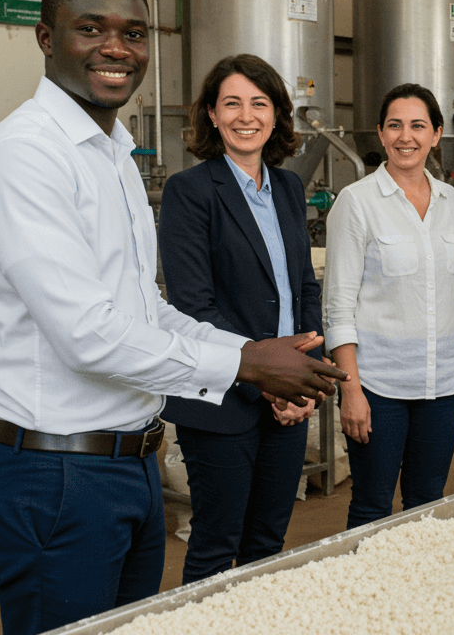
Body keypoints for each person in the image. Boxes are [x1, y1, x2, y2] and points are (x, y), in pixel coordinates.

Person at [0, 0, 343, 635]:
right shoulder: (25, 155)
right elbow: (89, 335)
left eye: (133, 33)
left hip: (129, 463)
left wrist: (252, 351)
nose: (116, 47)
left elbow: (149, 313)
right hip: (58, 472)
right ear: (47, 38)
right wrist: (247, 366)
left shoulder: (113, 155)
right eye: (91, 28)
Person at [156, 53, 324, 583]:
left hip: (287, 398)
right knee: (214, 545)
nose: (245, 115)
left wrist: (305, 380)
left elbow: (303, 289)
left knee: (267, 543)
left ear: (276, 115)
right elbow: (192, 305)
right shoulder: (190, 192)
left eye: (259, 102)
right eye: (231, 103)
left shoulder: (290, 189)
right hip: (222, 399)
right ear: (210, 114)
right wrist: (269, 380)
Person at [323, 83, 454, 530]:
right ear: (380, 133)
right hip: (379, 386)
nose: (405, 136)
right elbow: (338, 306)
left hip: (442, 384)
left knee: (427, 501)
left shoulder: (451, 201)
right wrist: (350, 390)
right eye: (395, 125)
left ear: (436, 134)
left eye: (417, 126)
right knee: (372, 505)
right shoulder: (356, 203)